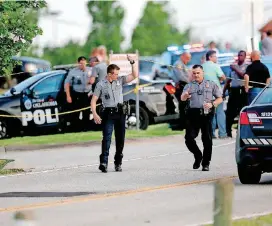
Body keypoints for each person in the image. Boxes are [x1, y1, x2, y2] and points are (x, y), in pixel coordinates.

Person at [91, 55, 138, 173]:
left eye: (118, 74)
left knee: (120, 139)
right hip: (108, 113)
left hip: (120, 113)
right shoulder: (100, 84)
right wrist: (95, 114)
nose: (117, 76)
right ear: (109, 74)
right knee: (106, 138)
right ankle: (104, 163)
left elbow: (134, 75)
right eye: (115, 74)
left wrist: (132, 62)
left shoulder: (120, 81)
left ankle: (118, 163)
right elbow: (93, 100)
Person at [181, 65, 223, 171]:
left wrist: (212, 104)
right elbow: (182, 98)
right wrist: (185, 96)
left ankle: (206, 163)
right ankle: (198, 155)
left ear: (203, 73)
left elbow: (220, 98)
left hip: (206, 114)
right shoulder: (189, 86)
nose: (196, 75)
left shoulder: (211, 84)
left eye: (198, 73)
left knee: (207, 139)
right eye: (194, 73)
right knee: (189, 138)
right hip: (193, 114)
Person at [202, 50, 228, 139]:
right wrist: (219, 79)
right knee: (220, 113)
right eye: (215, 56)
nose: (216, 58)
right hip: (217, 94)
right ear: (210, 57)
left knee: (210, 114)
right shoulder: (215, 66)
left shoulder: (202, 67)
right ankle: (222, 134)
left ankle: (211, 134)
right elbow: (223, 77)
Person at [223, 50, 249, 138]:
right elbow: (228, 80)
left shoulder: (247, 66)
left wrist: (235, 69)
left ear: (245, 57)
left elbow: (243, 76)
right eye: (239, 55)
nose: (240, 57)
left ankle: (241, 131)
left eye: (241, 55)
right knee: (230, 112)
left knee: (242, 112)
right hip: (234, 91)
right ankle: (228, 131)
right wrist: (223, 92)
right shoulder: (233, 67)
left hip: (242, 91)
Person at [64, 56, 92, 131]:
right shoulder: (73, 72)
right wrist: (68, 96)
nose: (83, 65)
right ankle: (76, 129)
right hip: (77, 95)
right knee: (76, 113)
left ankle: (86, 129)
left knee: (86, 112)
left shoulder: (91, 70)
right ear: (78, 63)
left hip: (87, 94)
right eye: (81, 63)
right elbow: (66, 83)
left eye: (84, 63)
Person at [172, 52, 192, 130]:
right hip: (181, 87)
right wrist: (190, 82)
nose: (188, 60)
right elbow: (181, 77)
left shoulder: (182, 64)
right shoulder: (178, 64)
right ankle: (184, 124)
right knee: (183, 107)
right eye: (187, 58)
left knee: (185, 106)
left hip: (184, 87)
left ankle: (185, 124)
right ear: (182, 56)